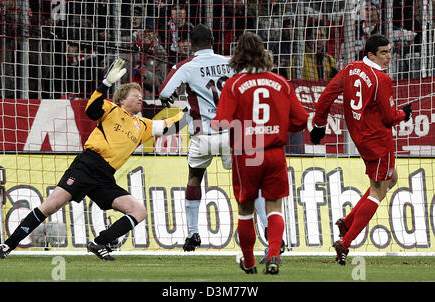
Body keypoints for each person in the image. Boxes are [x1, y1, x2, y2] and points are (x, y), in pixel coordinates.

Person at [0, 59, 183, 260]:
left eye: (141, 97)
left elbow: (169, 126)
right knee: (51, 205)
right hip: (87, 165)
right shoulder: (111, 110)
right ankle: (8, 245)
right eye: (136, 96)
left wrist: (192, 111)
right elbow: (91, 110)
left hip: (105, 176)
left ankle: (99, 242)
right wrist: (106, 84)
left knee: (139, 210)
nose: (140, 99)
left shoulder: (143, 125)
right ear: (122, 100)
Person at [211, 32, 309, 274]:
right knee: (275, 206)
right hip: (275, 154)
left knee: (245, 210)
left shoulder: (234, 84)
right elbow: (301, 119)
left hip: (247, 154)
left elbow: (221, 122)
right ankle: (273, 254)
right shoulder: (281, 82)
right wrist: (277, 125)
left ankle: (249, 262)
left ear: (238, 56)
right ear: (263, 52)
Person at [310, 34, 412, 265]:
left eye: (389, 51)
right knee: (378, 191)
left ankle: (346, 222)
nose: (389, 57)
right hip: (378, 141)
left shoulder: (351, 68)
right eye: (383, 53)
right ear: (370, 55)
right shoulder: (381, 79)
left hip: (359, 137)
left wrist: (319, 123)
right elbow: (388, 118)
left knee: (392, 178)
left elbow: (327, 95)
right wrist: (404, 114)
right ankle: (344, 244)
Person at [158, 24, 234, 252]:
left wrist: (167, 99)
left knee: (194, 178)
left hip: (202, 133)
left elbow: (163, 92)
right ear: (213, 40)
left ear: (191, 44)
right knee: (247, 181)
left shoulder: (186, 66)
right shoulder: (230, 62)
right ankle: (267, 231)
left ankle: (192, 234)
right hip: (231, 132)